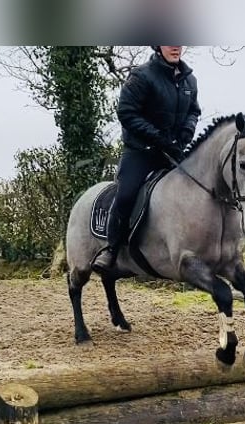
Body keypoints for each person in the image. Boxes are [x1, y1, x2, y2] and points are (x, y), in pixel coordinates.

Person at [92, 45, 201, 272]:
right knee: (126, 195)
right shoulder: (141, 76)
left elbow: (194, 111)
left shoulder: (190, 80)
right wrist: (159, 138)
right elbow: (126, 112)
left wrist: (186, 134)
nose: (175, 46)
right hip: (141, 151)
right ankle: (111, 250)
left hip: (172, 151)